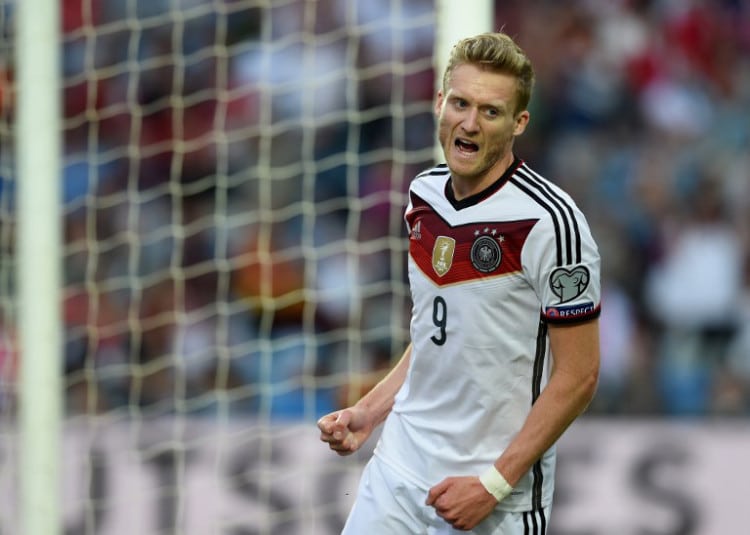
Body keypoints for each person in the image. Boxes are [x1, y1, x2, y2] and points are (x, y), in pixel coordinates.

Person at [318, 32, 601, 534]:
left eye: (490, 111)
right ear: (439, 102)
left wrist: (493, 483)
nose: (469, 122)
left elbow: (578, 377)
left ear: (518, 123)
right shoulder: (422, 194)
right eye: (460, 103)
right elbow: (435, 332)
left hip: (491, 497)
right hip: (398, 472)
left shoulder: (552, 223)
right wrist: (370, 410)